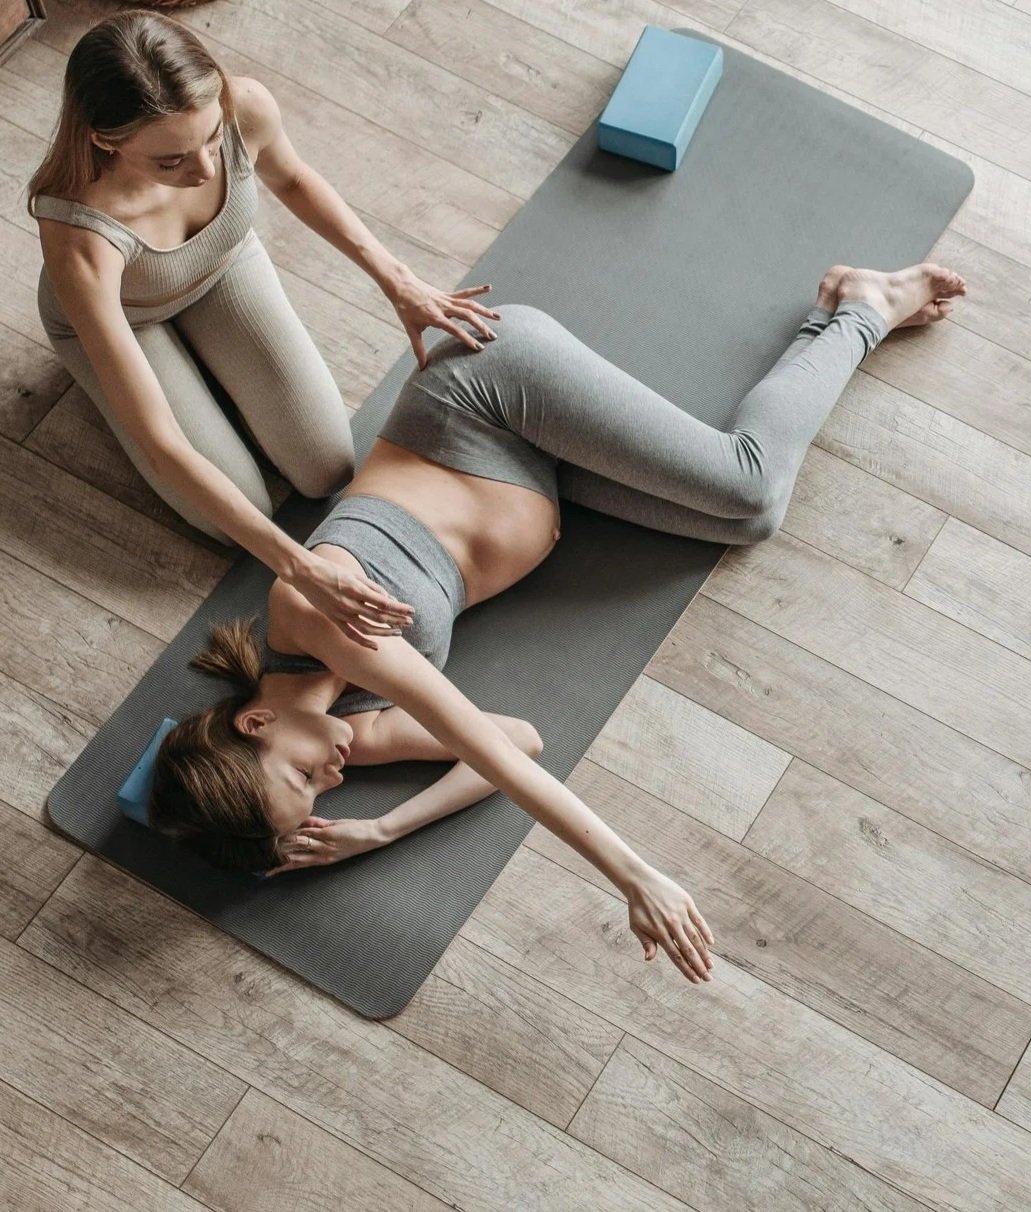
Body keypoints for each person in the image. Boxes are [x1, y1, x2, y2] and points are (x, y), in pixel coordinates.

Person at [150, 261, 966, 985]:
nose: (330, 782)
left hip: (491, 399)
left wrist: (634, 875)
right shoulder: (347, 735)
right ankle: (835, 315)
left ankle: (864, 305)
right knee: (748, 522)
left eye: (299, 778)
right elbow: (520, 740)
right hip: (548, 479)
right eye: (317, 801)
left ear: (255, 718)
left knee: (747, 487)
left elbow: (491, 756)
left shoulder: (312, 616)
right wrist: (379, 830)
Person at [28, 9, 499, 647]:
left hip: (220, 267)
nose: (201, 170)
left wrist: (399, 281)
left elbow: (296, 180)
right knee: (235, 519)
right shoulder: (79, 233)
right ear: (106, 140)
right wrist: (299, 566)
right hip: (127, 319)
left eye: (212, 137)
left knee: (327, 467)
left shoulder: (244, 104)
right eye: (168, 161)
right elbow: (163, 442)